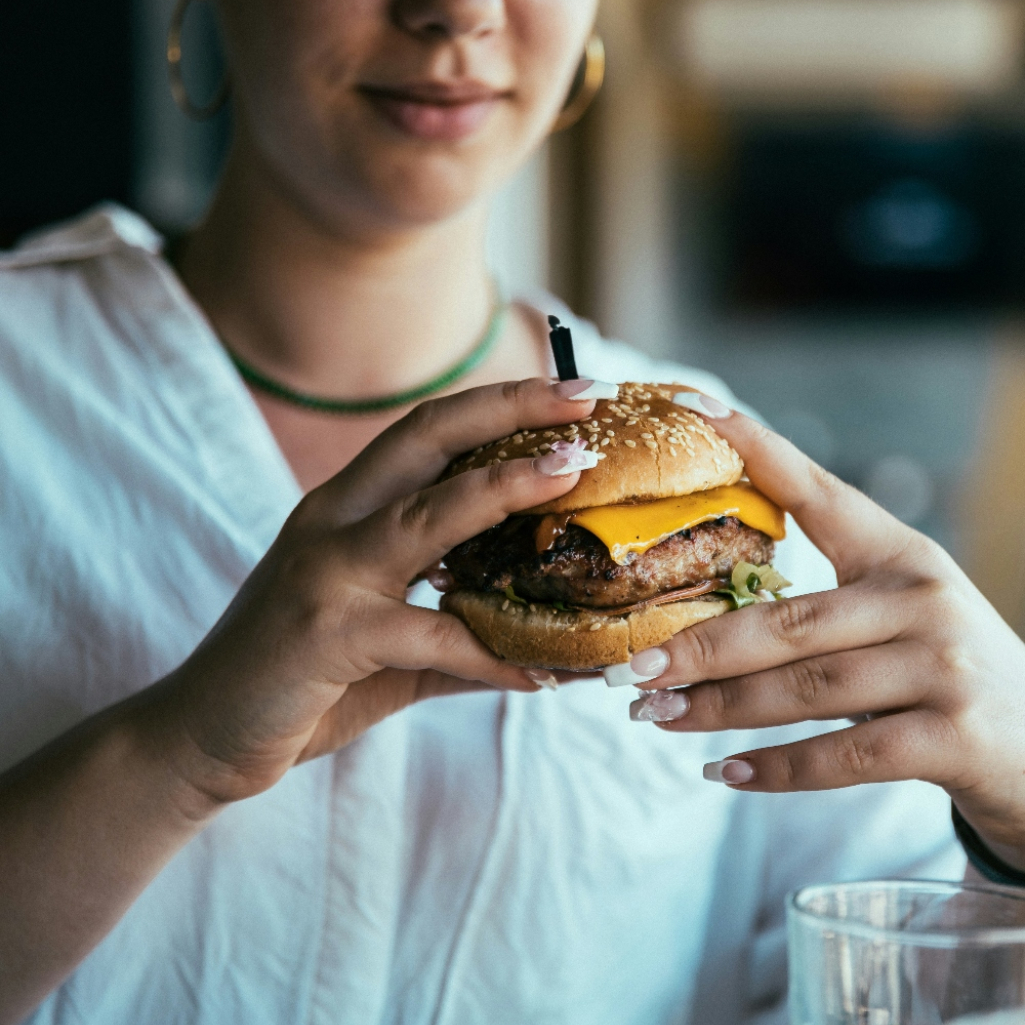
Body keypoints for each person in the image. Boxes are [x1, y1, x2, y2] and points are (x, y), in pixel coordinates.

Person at [0, 0, 1020, 1022]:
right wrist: (176, 754)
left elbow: (893, 990)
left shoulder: (725, 463)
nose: (455, 11)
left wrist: (1014, 819)